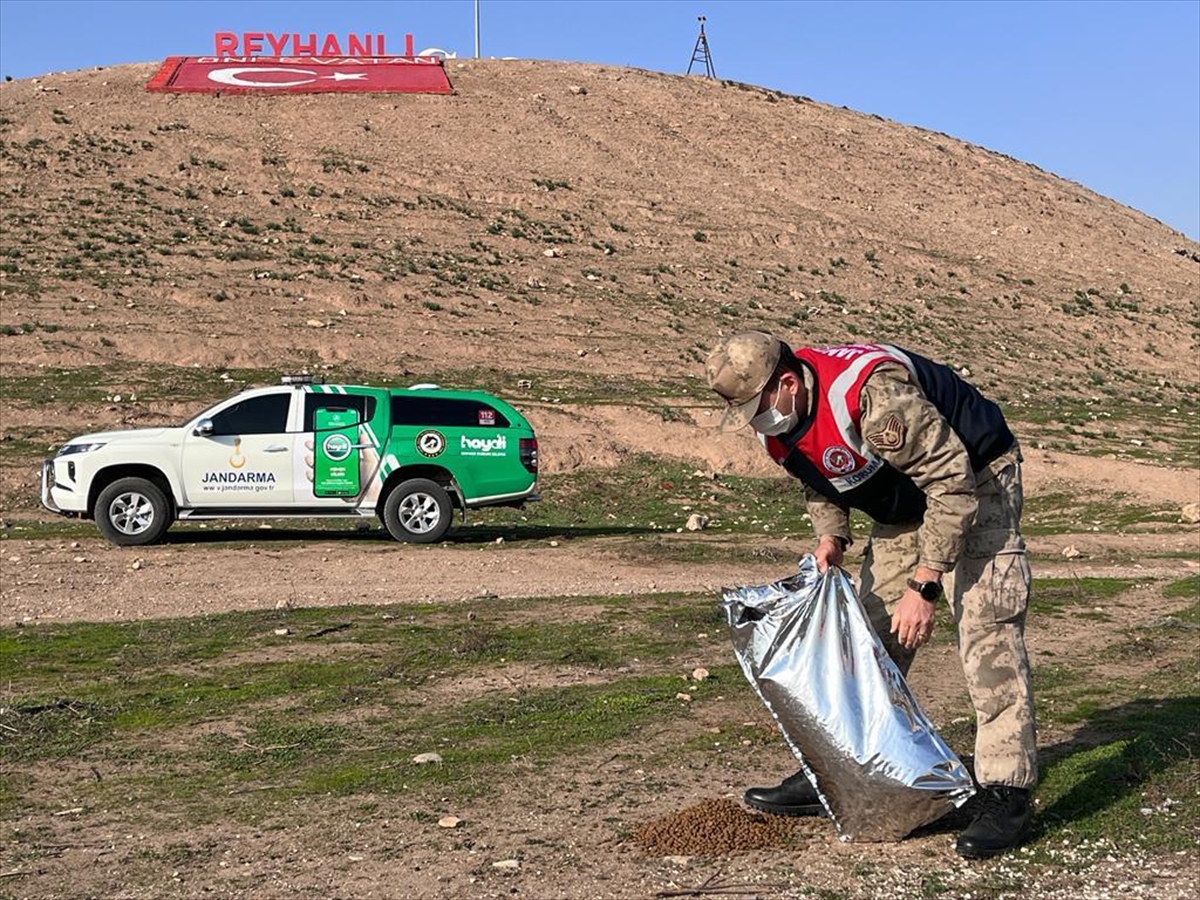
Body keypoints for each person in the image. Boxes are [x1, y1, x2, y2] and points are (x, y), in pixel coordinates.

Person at [705, 331, 1037, 859]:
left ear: (787, 383)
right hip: (905, 498)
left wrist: (925, 584)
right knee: (866, 641)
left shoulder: (872, 396)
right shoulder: (781, 422)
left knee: (986, 634)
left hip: (974, 476)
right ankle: (839, 772)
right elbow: (817, 478)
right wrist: (831, 536)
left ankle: (1006, 791)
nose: (753, 422)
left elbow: (951, 483)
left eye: (755, 407)